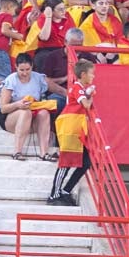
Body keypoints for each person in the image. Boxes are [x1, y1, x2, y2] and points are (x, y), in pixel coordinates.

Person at [0, 53, 63, 161]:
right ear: (16, 67)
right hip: (11, 116)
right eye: (21, 70)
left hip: (33, 115)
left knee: (44, 113)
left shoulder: (38, 77)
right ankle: (17, 151)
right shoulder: (11, 80)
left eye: (27, 70)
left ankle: (44, 153)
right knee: (25, 112)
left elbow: (58, 90)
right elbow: (3, 108)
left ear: (32, 66)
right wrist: (18, 104)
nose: (24, 73)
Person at [49, 59, 96, 205]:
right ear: (83, 74)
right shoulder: (77, 87)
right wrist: (92, 94)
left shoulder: (80, 88)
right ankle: (53, 195)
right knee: (65, 163)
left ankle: (66, 190)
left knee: (86, 163)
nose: (93, 76)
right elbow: (86, 105)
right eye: (91, 74)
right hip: (70, 128)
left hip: (78, 129)